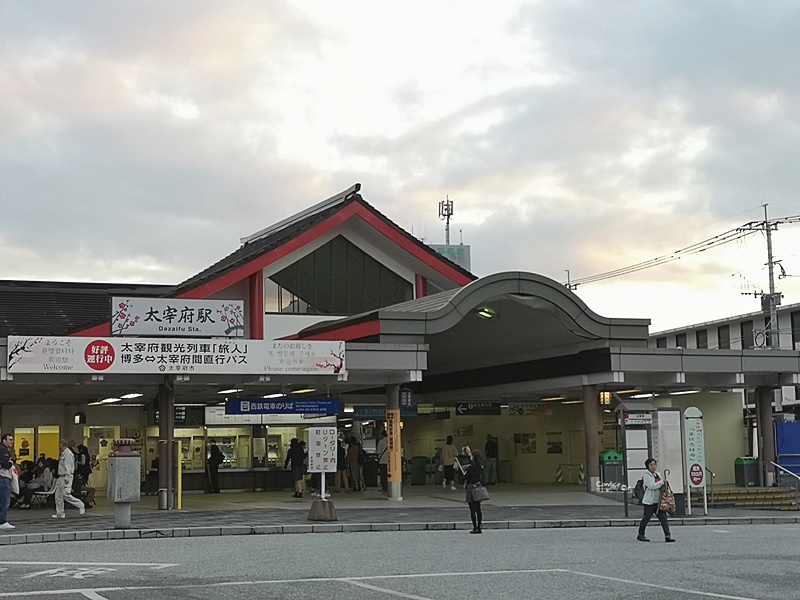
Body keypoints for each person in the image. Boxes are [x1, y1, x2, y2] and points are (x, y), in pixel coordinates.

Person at [637, 458, 676, 543]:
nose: (653, 466)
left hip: (658, 502)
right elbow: (651, 486)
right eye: (651, 465)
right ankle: (641, 534)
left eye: (654, 464)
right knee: (646, 519)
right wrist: (661, 483)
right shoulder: (646, 476)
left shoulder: (658, 475)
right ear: (647, 466)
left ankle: (667, 536)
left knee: (663, 518)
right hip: (649, 502)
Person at [53, 438, 85, 519]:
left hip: (66, 476)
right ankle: (60, 513)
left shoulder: (68, 454)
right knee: (58, 495)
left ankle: (80, 505)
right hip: (61, 476)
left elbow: (69, 466)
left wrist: (67, 477)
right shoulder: (63, 453)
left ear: (62, 444)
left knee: (66, 494)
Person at [461, 446, 485, 534]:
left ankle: (474, 527)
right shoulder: (480, 467)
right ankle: (479, 527)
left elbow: (465, 477)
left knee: (472, 509)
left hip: (471, 488)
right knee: (478, 509)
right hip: (478, 486)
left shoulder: (471, 468)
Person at [0, 433, 15, 529]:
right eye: (10, 439)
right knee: (5, 500)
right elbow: (5, 464)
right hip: (4, 476)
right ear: (4, 440)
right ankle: (2, 521)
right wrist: (10, 463)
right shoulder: (3, 450)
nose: (12, 441)